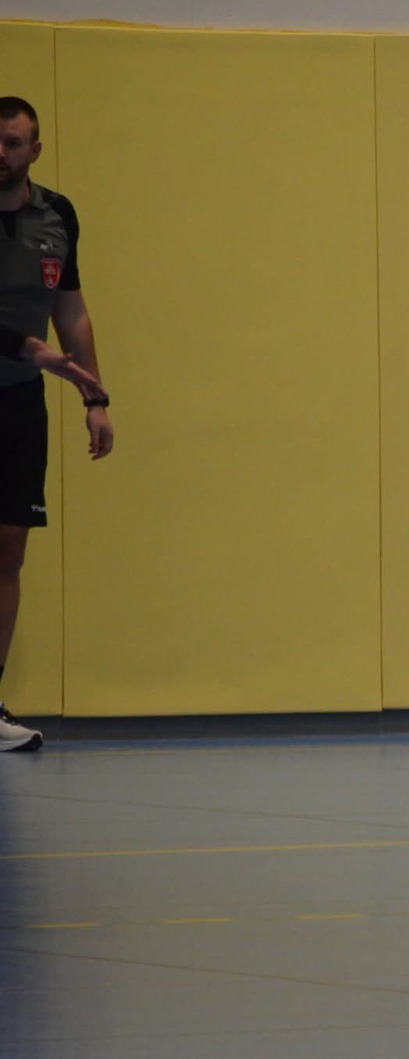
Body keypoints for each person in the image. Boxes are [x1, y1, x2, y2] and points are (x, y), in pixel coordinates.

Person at [0, 96, 113, 753]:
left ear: (34, 151)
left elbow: (70, 310)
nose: (0, 153)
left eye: (13, 143)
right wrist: (29, 348)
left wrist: (94, 396)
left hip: (19, 401)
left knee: (9, 546)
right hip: (25, 364)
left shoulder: (57, 216)